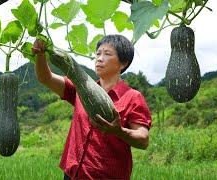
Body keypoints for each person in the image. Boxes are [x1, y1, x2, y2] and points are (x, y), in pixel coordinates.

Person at [32, 35, 152, 180]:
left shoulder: (133, 97)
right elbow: (45, 78)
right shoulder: (80, 88)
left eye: (107, 54)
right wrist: (40, 54)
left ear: (123, 63)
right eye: (98, 53)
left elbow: (143, 140)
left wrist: (118, 131)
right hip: (71, 174)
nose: (100, 58)